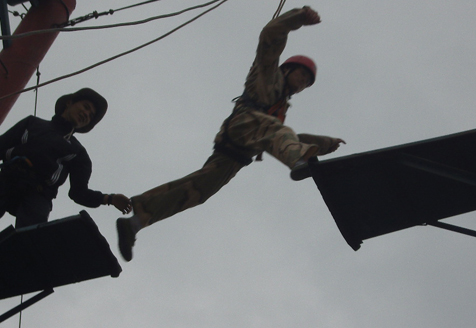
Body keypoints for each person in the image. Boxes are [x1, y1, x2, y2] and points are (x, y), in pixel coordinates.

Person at [116, 6, 345, 261]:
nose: (302, 83)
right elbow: (271, 33)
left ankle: (135, 222)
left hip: (236, 155)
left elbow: (285, 139)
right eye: (301, 75)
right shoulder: (268, 73)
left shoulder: (280, 112)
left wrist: (325, 144)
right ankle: (299, 161)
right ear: (287, 69)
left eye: (306, 83)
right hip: (243, 124)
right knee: (276, 131)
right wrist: (298, 17)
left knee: (199, 190)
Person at [0, 88, 132, 228]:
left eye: (91, 116)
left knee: (31, 235)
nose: (86, 114)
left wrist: (109, 199)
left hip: (38, 194)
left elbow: (78, 193)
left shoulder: (78, 153)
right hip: (6, 179)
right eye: (85, 107)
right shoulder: (32, 124)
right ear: (69, 103)